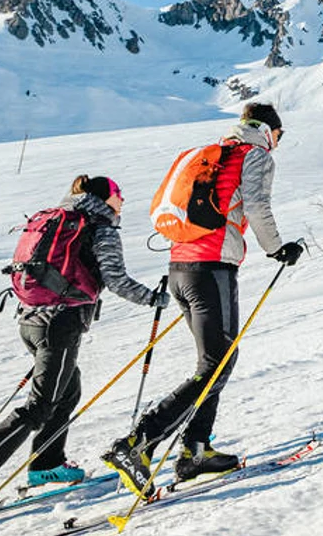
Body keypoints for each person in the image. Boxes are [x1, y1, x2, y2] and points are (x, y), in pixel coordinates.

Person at [105, 101, 304, 495]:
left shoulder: (212, 155)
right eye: (279, 136)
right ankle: (138, 443)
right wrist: (278, 249)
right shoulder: (254, 155)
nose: (278, 144)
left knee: (212, 363)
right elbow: (258, 206)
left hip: (181, 268)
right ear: (268, 131)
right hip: (212, 269)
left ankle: (195, 450)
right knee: (218, 363)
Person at [0, 175, 165, 507]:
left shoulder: (58, 218)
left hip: (31, 320)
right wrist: (151, 298)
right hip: (60, 324)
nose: (122, 200)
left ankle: (47, 464)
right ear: (104, 198)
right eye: (118, 194)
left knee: (67, 391)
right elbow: (116, 279)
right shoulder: (100, 227)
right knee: (41, 404)